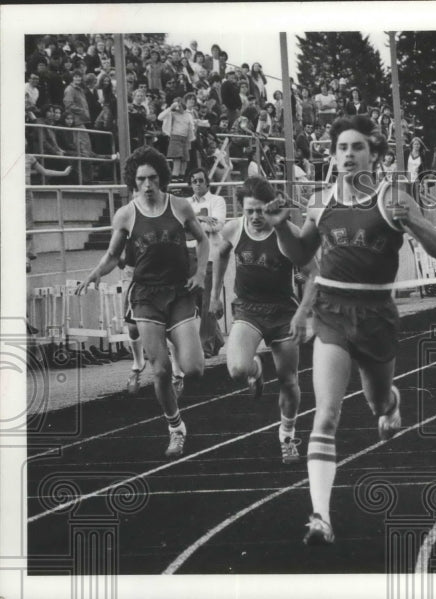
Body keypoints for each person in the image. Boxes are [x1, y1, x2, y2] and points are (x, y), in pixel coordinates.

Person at [262, 115, 436, 545]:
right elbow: (300, 252)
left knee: (378, 403)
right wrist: (281, 229)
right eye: (341, 148)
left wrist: (414, 222)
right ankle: (320, 517)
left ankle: (391, 401)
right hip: (331, 314)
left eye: (357, 147)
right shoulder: (322, 201)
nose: (348, 155)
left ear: (375, 154)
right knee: (325, 413)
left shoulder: (392, 197)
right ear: (333, 155)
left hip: (376, 315)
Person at [77, 146, 209, 458]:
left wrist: (201, 273)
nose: (147, 184)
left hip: (178, 292)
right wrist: (95, 273)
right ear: (133, 182)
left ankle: (182, 358)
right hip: (146, 296)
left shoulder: (179, 206)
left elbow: (202, 240)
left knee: (194, 369)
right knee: (160, 371)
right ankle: (175, 428)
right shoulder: (125, 214)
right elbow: (112, 255)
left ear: (161, 178)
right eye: (141, 179)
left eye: (152, 178)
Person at [211, 177, 307, 463]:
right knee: (236, 368)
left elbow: (314, 273)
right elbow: (221, 254)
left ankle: (287, 435)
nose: (254, 217)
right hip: (249, 309)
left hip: (283, 313)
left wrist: (303, 312)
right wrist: (215, 295)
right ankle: (255, 370)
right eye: (249, 211)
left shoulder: (288, 233)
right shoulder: (234, 229)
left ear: (271, 208)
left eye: (260, 211)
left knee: (289, 380)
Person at [186, 168, 228, 356]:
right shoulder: (185, 203)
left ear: (207, 183)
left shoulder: (217, 201)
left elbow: (217, 225)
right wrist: (202, 218)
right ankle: (216, 338)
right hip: (189, 256)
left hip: (211, 256)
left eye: (200, 180)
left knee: (207, 302)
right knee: (195, 300)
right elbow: (180, 224)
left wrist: (192, 221)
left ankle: (207, 346)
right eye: (194, 180)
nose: (197, 184)